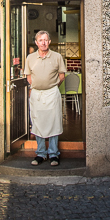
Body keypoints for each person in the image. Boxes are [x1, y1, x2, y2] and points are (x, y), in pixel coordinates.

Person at [23, 30, 66, 166]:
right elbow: (28, 77)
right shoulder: (30, 58)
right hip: (36, 94)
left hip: (52, 94)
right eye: (40, 40)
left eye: (46, 40)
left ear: (49, 42)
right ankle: (41, 153)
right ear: (36, 43)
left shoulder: (57, 56)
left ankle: (54, 154)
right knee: (38, 123)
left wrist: (51, 87)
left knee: (54, 123)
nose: (43, 42)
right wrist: (38, 86)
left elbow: (61, 76)